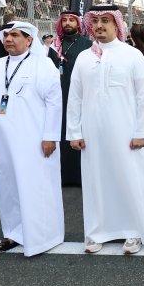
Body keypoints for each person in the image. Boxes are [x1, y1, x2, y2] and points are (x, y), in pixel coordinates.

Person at [68, 5, 144, 254]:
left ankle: (134, 231)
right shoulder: (84, 57)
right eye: (95, 21)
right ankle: (97, 232)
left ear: (116, 24)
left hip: (127, 132)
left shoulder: (132, 55)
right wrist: (74, 132)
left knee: (130, 179)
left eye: (105, 20)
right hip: (92, 133)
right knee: (96, 181)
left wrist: (141, 132)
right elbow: (75, 97)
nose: (99, 25)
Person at [0, 21, 64, 257]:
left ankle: (44, 235)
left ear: (28, 40)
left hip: (35, 139)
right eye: (6, 35)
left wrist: (50, 136)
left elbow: (54, 103)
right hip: (3, 140)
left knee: (37, 186)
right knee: (9, 187)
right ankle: (14, 233)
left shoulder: (43, 65)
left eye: (15, 35)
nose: (8, 39)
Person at [51, 10, 92, 186]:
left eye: (71, 20)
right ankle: (63, 176)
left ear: (78, 23)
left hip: (81, 97)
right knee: (61, 134)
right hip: (57, 98)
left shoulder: (88, 45)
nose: (67, 23)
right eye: (64, 20)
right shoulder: (54, 46)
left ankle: (81, 176)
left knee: (80, 133)